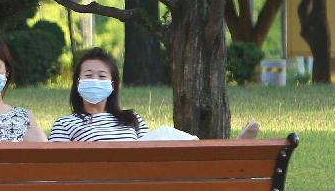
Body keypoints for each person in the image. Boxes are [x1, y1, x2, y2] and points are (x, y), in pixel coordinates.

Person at [49, 47, 259, 141]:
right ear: (77, 83)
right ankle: (230, 151)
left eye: (102, 76)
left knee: (163, 135)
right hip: (98, 185)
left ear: (113, 85)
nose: (95, 80)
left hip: (140, 181)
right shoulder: (65, 124)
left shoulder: (132, 119)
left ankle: (225, 152)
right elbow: (55, 170)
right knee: (165, 133)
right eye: (89, 75)